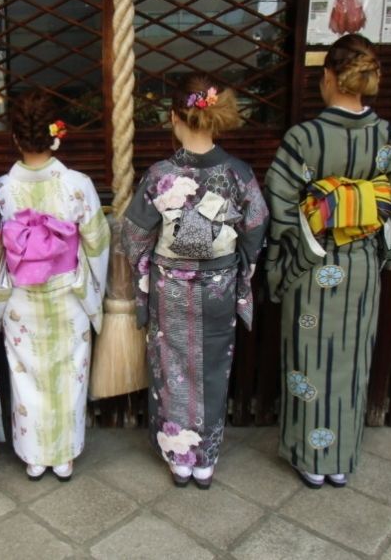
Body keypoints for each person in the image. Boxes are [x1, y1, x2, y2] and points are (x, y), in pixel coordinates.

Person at [264, 34, 391, 489]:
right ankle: (340, 458)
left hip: (313, 263)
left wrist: (300, 247)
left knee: (310, 359)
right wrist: (378, 242)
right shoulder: (387, 137)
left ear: (328, 77)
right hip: (363, 264)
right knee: (351, 360)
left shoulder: (304, 138)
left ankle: (311, 456)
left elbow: (282, 204)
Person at [121, 74, 268, 488]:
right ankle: (205, 460)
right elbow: (256, 228)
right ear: (216, 117)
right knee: (212, 369)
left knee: (171, 368)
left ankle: (179, 459)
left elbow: (133, 235)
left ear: (174, 118)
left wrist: (150, 266)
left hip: (170, 288)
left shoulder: (159, 175)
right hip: (218, 287)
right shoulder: (238, 173)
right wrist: (240, 267)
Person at [0, 89, 110, 482]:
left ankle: (33, 456)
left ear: (15, 138)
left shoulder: (2, 190)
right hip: (67, 295)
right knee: (68, 373)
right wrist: (96, 292)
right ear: (55, 135)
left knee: (25, 374)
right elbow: (96, 244)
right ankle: (62, 457)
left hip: (21, 299)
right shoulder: (77, 185)